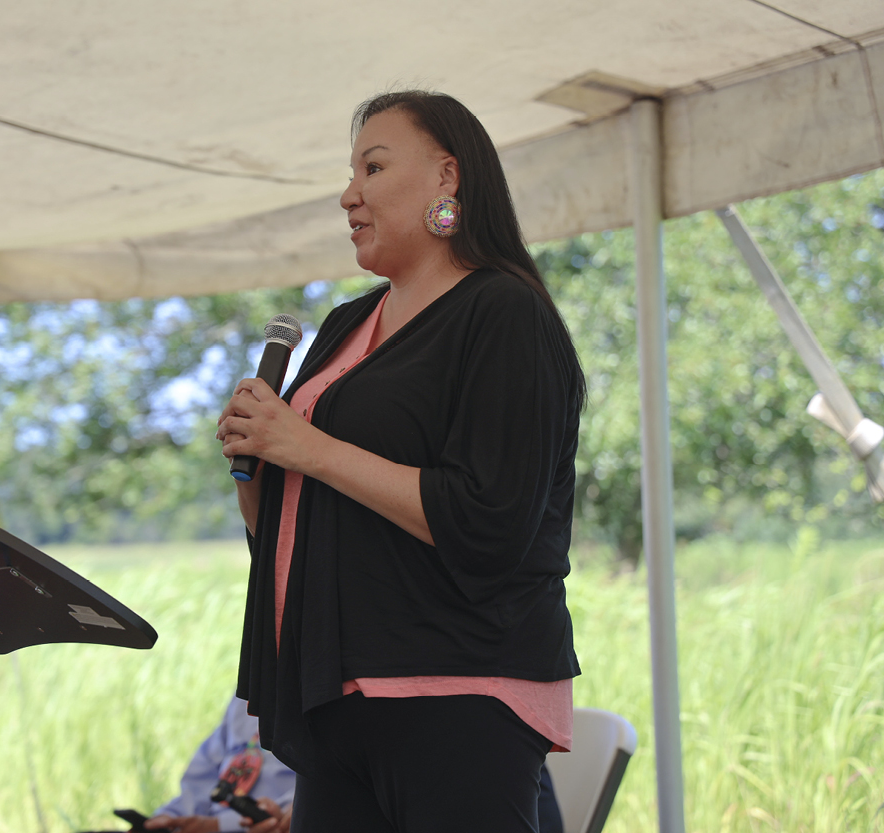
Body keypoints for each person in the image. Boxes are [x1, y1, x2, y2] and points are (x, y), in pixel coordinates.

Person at [215, 90, 585, 832]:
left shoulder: (504, 312)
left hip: (460, 694)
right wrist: (260, 457)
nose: (348, 194)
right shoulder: (347, 323)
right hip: (335, 694)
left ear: (447, 176)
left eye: (373, 167)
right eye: (350, 173)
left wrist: (306, 445)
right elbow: (296, 523)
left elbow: (489, 520)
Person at [143, 696, 294, 833]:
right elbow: (201, 779)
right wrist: (168, 817)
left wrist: (218, 825)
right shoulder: (248, 690)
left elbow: (296, 812)